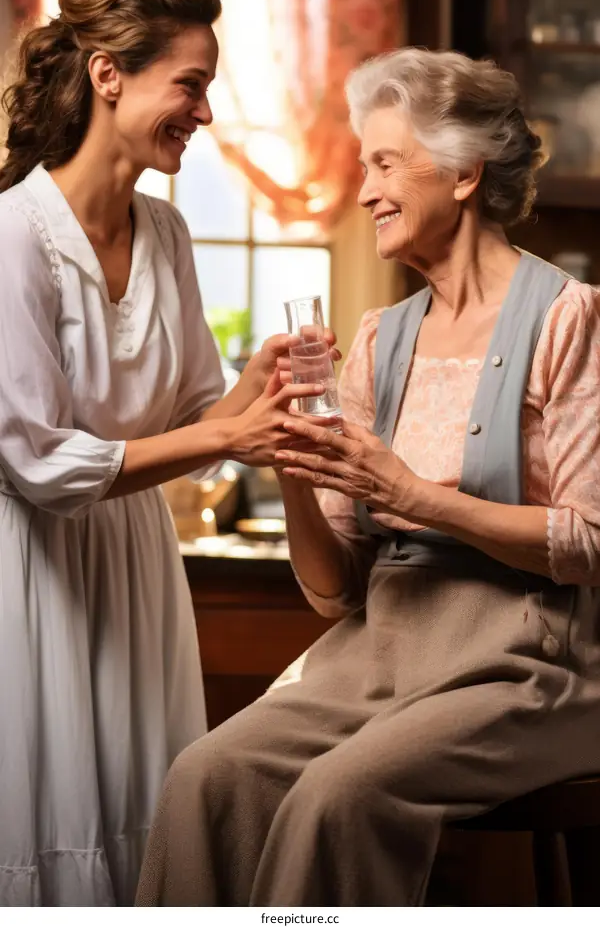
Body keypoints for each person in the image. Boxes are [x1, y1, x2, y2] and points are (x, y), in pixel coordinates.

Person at [136, 48, 600, 907]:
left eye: (384, 163)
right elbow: (334, 591)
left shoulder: (570, 318)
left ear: (463, 172)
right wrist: (294, 465)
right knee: (206, 773)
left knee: (335, 797)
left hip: (530, 668)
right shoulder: (381, 339)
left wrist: (414, 496)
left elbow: (588, 543)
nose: (362, 192)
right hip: (379, 657)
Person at [0, 0, 328, 907]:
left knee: (144, 815)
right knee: (49, 818)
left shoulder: (168, 233)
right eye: (190, 84)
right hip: (34, 576)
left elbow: (196, 415)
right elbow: (38, 463)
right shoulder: (14, 235)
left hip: (139, 564)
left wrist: (260, 380)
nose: (206, 113)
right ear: (109, 75)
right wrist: (234, 437)